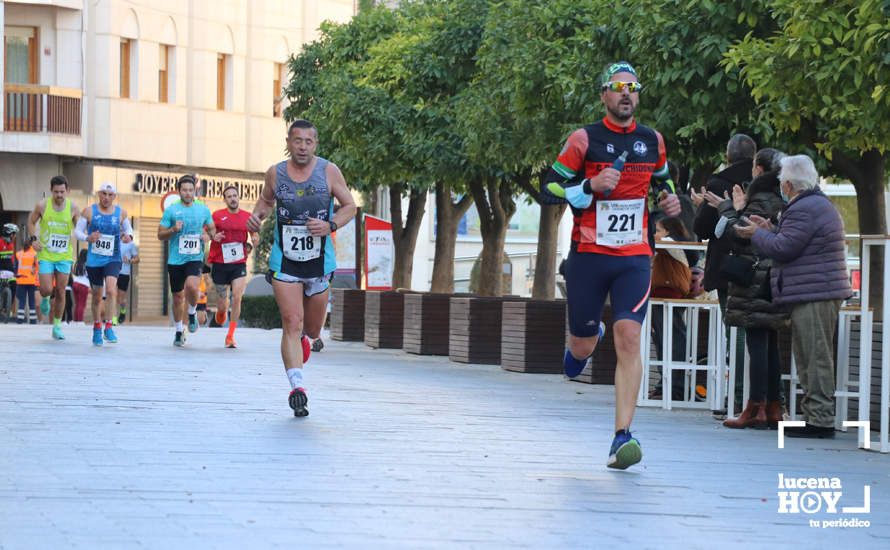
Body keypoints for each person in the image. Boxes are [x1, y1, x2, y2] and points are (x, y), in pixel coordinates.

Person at [540, 61, 681, 469]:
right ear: (604, 94)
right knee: (582, 344)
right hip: (588, 255)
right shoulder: (584, 139)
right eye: (618, 86)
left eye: (633, 87)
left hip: (635, 255)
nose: (626, 93)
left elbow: (665, 183)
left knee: (630, 339)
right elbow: (547, 188)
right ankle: (586, 338)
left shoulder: (653, 141)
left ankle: (622, 437)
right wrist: (587, 185)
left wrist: (671, 202)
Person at [736, 154, 852, 438]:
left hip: (815, 292)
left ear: (788, 184)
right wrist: (768, 230)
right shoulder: (814, 205)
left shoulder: (805, 208)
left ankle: (820, 420)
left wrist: (756, 234)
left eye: (782, 184)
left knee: (814, 357)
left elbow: (785, 248)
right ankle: (815, 416)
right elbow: (793, 242)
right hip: (815, 290)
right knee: (810, 355)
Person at [248, 119, 357, 417]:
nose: (303, 147)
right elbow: (265, 202)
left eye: (308, 142)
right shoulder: (276, 173)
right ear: (289, 141)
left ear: (315, 144)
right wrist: (257, 217)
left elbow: (350, 206)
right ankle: (297, 388)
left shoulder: (329, 171)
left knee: (310, 328)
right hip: (285, 260)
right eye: (297, 141)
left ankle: (305, 342)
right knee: (291, 322)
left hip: (320, 261)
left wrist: (330, 224)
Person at [704, 148, 789, 429]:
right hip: (774, 278)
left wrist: (729, 209)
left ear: (759, 170)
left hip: (753, 281)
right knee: (771, 345)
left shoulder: (759, 198)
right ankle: (774, 407)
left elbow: (740, 235)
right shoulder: (782, 198)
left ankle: (755, 408)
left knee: (757, 343)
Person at [158, 174, 216, 347]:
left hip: (195, 257)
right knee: (177, 297)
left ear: (195, 191)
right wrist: (173, 229)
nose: (188, 193)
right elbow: (160, 235)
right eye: (184, 190)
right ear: (179, 191)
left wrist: (208, 235)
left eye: (191, 190)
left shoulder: (203, 209)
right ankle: (178, 331)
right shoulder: (171, 210)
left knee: (192, 286)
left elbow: (212, 229)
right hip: (175, 260)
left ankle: (191, 312)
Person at [74, 182, 133, 345]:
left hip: (113, 258)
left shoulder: (121, 213)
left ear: (114, 196)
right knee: (97, 296)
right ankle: (97, 327)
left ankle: (109, 326)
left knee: (112, 290)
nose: (106, 198)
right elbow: (77, 231)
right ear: (98, 194)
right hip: (94, 261)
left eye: (110, 195)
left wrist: (129, 237)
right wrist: (88, 237)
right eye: (103, 194)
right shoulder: (89, 211)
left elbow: (129, 230)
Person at [649, 216, 696, 401]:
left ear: (668, 231)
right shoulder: (672, 245)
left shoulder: (670, 243)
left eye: (658, 229)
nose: (655, 233)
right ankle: (667, 385)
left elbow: (653, 242)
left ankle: (674, 386)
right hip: (664, 296)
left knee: (670, 340)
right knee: (664, 340)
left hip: (668, 296)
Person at [28, 175, 79, 340]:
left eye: (62, 192)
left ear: (67, 191)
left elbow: (79, 228)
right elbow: (30, 222)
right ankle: (45, 298)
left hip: (64, 255)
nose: (59, 195)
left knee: (61, 291)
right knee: (47, 289)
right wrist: (33, 240)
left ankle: (57, 326)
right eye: (56, 192)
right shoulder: (42, 205)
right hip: (46, 254)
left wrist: (88, 236)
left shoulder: (73, 207)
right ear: (51, 191)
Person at [209, 185, 258, 348]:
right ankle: (221, 313)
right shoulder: (217, 216)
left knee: (237, 296)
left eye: (234, 195)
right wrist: (213, 236)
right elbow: (207, 233)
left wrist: (256, 239)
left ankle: (230, 335)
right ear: (225, 199)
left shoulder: (247, 216)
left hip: (238, 263)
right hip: (220, 263)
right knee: (223, 305)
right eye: (229, 196)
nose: (232, 198)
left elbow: (254, 234)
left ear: (239, 197)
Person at [15, 235, 39, 324]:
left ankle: (20, 319)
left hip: (21, 280)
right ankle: (33, 320)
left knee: (22, 300)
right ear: (31, 245)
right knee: (31, 301)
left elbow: (16, 267)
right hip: (31, 281)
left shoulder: (19, 254)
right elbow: (37, 267)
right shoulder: (34, 254)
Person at [116, 238, 139, 324]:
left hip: (124, 274)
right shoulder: (116, 242)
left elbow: (137, 259)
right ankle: (113, 319)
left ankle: (122, 311)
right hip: (113, 272)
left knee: (120, 299)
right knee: (112, 294)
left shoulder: (131, 245)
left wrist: (129, 260)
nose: (126, 236)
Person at [0, 223, 19, 322]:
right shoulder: (0, 242)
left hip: (8, 271)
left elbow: (11, 261)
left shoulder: (11, 244)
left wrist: (15, 272)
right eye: (14, 234)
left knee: (14, 285)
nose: (15, 236)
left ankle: (7, 308)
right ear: (10, 233)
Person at [71, 250, 90, 323]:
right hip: (84, 285)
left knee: (77, 303)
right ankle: (80, 321)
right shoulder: (87, 264)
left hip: (75, 283)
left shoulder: (77, 263)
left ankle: (76, 320)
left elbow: (74, 272)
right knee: (82, 304)